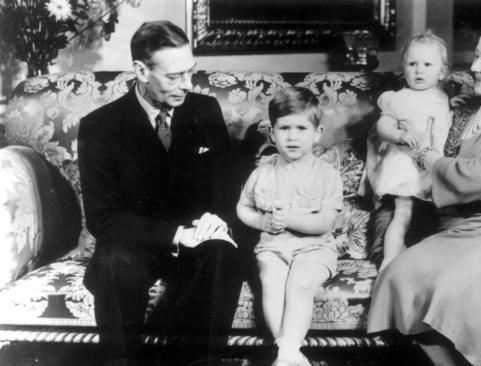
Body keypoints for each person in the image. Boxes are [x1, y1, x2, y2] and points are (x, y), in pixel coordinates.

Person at [367, 18, 481, 366]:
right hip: (458, 229)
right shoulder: (472, 106)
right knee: (399, 275)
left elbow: (470, 178)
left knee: (451, 289)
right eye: (476, 57)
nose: (475, 68)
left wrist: (426, 156)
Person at [78, 20, 243, 366]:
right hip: (138, 244)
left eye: (191, 72)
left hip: (200, 238)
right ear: (140, 70)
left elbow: (226, 184)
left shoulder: (204, 110)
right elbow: (103, 218)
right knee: (113, 265)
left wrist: (218, 219)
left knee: (224, 257)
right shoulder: (99, 126)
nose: (187, 85)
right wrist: (176, 234)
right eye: (174, 76)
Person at [236, 87, 343, 366]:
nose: (292, 136)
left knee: (299, 285)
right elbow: (242, 207)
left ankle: (285, 354)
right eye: (284, 128)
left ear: (317, 133)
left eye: (301, 128)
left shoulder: (327, 175)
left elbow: (326, 222)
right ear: (272, 133)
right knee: (271, 281)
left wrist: (290, 219)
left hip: (315, 248)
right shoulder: (261, 172)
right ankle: (289, 352)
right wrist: (260, 221)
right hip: (273, 247)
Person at [364, 31, 452, 271]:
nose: (419, 70)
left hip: (430, 164)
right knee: (403, 212)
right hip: (404, 163)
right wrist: (399, 135)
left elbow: (443, 125)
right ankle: (390, 258)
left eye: (427, 64)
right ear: (404, 68)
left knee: (432, 213)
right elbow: (383, 125)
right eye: (412, 64)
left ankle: (420, 256)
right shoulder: (399, 98)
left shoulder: (443, 97)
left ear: (441, 72)